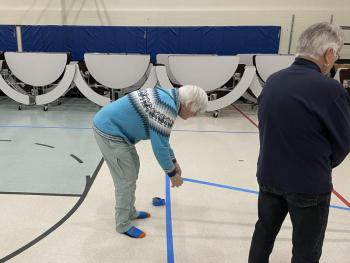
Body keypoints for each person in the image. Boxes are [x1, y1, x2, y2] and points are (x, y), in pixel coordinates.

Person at [249, 22, 350, 263]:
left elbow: (266, 127)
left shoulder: (272, 81)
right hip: (308, 184)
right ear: (328, 54)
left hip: (269, 177)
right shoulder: (330, 90)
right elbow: (344, 142)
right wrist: (320, 164)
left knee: (263, 235)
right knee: (306, 249)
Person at [93, 85, 208, 238]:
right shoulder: (166, 107)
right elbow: (159, 146)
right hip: (109, 131)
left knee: (132, 169)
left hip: (117, 132)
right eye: (196, 111)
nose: (195, 115)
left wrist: (174, 161)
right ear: (189, 104)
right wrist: (172, 174)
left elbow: (163, 139)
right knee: (125, 178)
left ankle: (130, 211)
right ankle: (122, 224)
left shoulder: (169, 97)